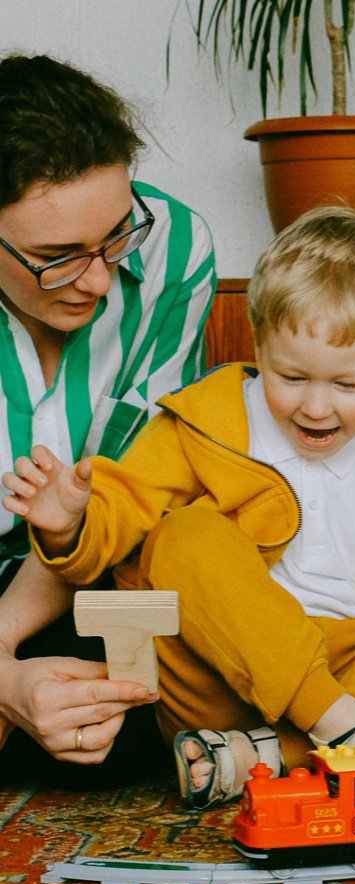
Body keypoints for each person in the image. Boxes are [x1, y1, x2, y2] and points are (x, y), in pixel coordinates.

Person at [3, 206, 355, 807]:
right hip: (219, 677)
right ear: (260, 344)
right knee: (185, 534)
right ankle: (344, 733)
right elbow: (124, 509)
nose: (315, 407)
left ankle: (266, 757)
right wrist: (69, 526)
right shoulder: (208, 418)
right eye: (291, 377)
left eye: (346, 385)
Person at [0, 53, 216, 785]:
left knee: (126, 718)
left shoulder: (174, 248)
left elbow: (134, 499)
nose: (98, 279)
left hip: (93, 566)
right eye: (56, 256)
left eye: (116, 234)